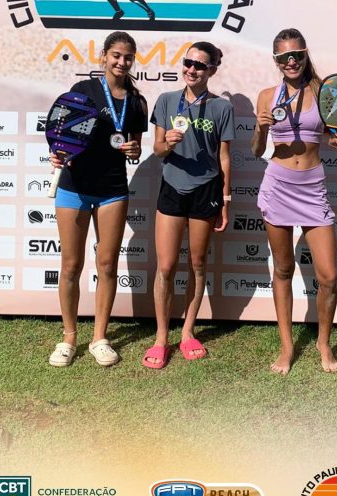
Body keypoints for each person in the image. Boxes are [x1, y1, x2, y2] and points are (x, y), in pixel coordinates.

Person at [48, 31, 148, 367]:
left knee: (107, 265)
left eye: (128, 57)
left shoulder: (137, 102)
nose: (122, 62)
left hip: (113, 189)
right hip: (74, 186)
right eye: (116, 55)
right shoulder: (83, 90)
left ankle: (99, 338)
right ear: (104, 56)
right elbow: (62, 133)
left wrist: (133, 150)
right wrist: (57, 153)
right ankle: (69, 337)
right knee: (71, 265)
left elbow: (135, 147)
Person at [251, 28, 337, 375]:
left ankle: (323, 343)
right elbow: (257, 150)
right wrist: (260, 128)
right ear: (276, 60)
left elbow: (334, 134)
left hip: (313, 187)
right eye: (284, 57)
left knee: (328, 276)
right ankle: (287, 346)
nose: (291, 61)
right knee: (283, 269)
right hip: (278, 185)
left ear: (305, 55)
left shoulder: (322, 91)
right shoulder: (266, 96)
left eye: (297, 55)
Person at [142, 41, 235, 369]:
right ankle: (161, 337)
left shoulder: (222, 108)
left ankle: (187, 332)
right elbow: (156, 150)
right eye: (188, 63)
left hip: (206, 189)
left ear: (212, 70)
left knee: (197, 263)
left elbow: (224, 157)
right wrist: (166, 143)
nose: (192, 69)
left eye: (200, 65)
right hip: (172, 187)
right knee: (166, 266)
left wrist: (225, 200)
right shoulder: (167, 101)